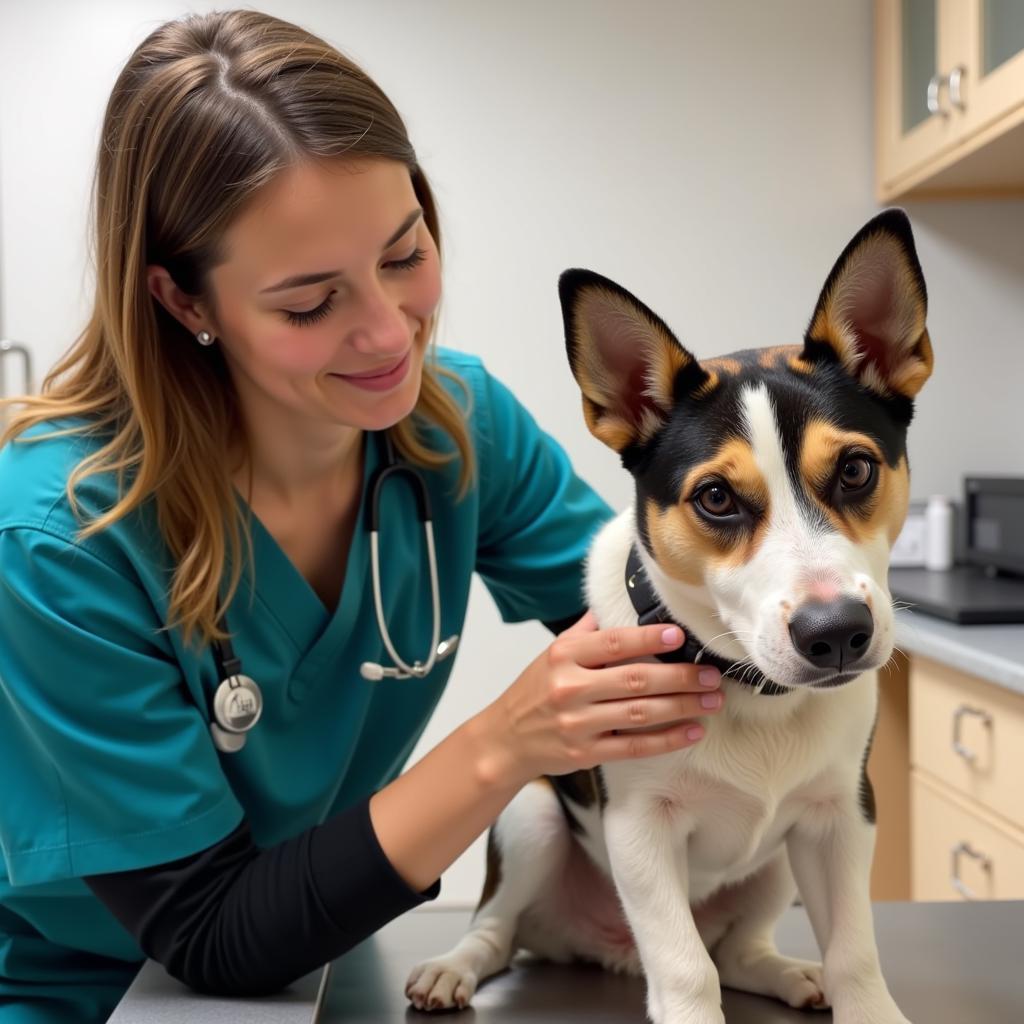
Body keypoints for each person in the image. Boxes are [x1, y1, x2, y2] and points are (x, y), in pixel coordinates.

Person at [0, 10, 723, 1022]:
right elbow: (208, 934)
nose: (389, 334)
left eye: (404, 252)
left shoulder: (457, 429)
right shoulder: (56, 533)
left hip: (319, 957)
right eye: (308, 303)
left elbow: (670, 639)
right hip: (83, 992)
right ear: (183, 300)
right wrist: (502, 745)